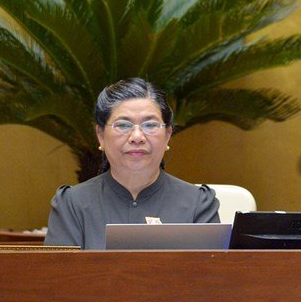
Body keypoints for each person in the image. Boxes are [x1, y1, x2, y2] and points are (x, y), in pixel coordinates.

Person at [44, 78, 220, 249]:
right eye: (123, 125)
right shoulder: (72, 204)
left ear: (167, 135)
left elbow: (210, 269)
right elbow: (60, 269)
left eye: (150, 125)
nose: (137, 137)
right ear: (101, 135)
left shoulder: (199, 204)